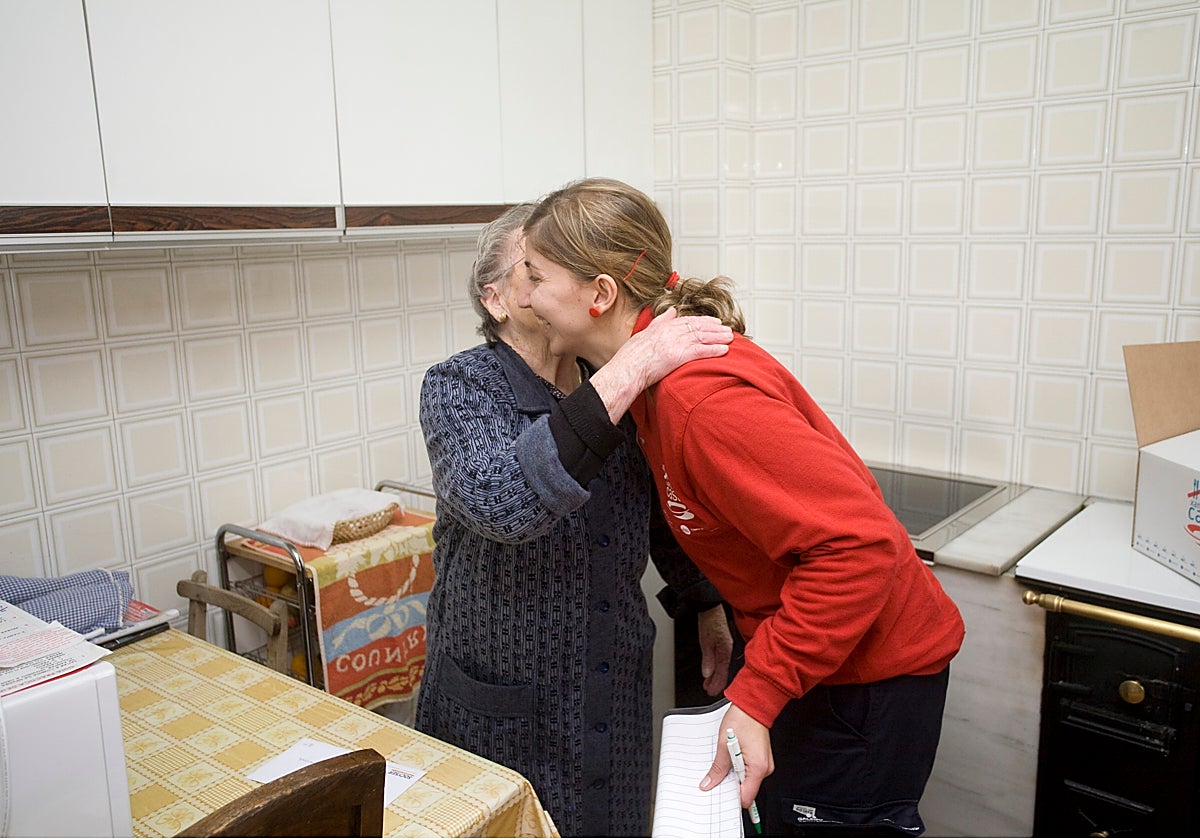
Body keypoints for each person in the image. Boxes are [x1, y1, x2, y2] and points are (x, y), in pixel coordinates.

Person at [517, 178, 966, 836]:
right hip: (821, 662)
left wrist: (757, 697)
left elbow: (860, 550)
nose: (524, 300)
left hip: (865, 680)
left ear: (600, 294)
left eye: (535, 277)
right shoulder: (649, 390)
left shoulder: (699, 402)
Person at [415, 203, 736, 837]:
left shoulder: (605, 378)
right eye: (530, 270)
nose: (547, 282)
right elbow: (505, 503)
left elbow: (660, 504)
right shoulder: (460, 386)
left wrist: (704, 603)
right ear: (497, 299)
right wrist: (633, 366)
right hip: (498, 705)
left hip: (610, 691)